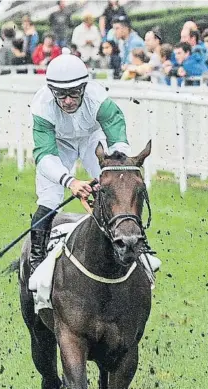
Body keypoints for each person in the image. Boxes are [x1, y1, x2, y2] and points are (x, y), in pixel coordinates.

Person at [28, 51, 158, 281]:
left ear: (84, 88)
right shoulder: (42, 106)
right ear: (51, 91)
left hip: (91, 140)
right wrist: (71, 182)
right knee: (50, 198)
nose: (68, 100)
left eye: (74, 93)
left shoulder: (98, 98)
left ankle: (141, 246)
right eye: (61, 95)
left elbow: (117, 135)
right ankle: (36, 260)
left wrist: (115, 166)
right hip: (57, 146)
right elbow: (44, 155)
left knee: (118, 186)